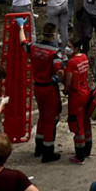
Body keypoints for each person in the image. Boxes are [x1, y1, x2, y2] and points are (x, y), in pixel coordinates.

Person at [28, 23, 64, 163]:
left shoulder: (34, 47)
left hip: (37, 87)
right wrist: (64, 80)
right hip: (49, 88)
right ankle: (48, 152)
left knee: (42, 116)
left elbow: (23, 43)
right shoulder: (54, 52)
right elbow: (59, 70)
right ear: (53, 35)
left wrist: (20, 28)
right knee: (51, 119)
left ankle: (39, 147)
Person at [64, 46, 93, 163]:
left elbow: (69, 80)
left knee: (77, 123)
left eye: (69, 46)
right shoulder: (84, 57)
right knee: (86, 122)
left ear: (75, 48)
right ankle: (87, 150)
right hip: (86, 92)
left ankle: (79, 156)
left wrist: (65, 90)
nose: (67, 48)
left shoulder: (72, 62)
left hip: (76, 95)